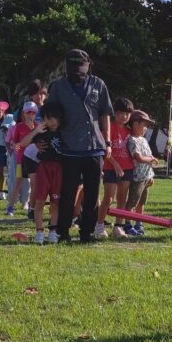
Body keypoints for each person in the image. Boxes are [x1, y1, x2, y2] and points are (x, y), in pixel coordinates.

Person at [48, 48, 113, 244]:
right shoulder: (58, 88)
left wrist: (107, 142)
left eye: (82, 68)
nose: (78, 72)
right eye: (74, 68)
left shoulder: (98, 84)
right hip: (69, 147)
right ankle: (64, 231)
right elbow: (51, 116)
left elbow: (105, 114)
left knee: (93, 193)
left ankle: (87, 232)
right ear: (67, 68)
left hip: (94, 146)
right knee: (68, 192)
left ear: (88, 66)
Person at [17, 104, 67, 245]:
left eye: (53, 118)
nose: (51, 122)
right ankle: (39, 231)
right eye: (47, 119)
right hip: (43, 168)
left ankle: (52, 231)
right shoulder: (41, 131)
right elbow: (22, 143)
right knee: (39, 202)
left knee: (55, 203)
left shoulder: (65, 132)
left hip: (59, 169)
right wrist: (35, 131)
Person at [96, 98, 135, 238]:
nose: (124, 117)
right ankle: (99, 226)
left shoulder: (130, 131)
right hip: (111, 168)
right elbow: (105, 150)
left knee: (122, 199)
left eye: (127, 114)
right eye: (120, 113)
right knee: (108, 198)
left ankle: (118, 227)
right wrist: (115, 164)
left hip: (128, 168)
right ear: (114, 113)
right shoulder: (109, 128)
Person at [123, 109, 158, 236]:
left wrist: (151, 175)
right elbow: (139, 157)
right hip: (137, 177)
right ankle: (127, 224)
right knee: (132, 201)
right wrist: (152, 159)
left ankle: (139, 222)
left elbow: (147, 154)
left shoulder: (143, 140)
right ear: (135, 124)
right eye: (145, 125)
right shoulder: (132, 140)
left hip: (146, 176)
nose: (146, 129)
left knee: (142, 202)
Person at [6, 101, 39, 217]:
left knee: (34, 184)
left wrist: (33, 129)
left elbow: (39, 141)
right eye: (28, 112)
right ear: (23, 114)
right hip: (21, 160)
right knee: (18, 183)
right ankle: (10, 206)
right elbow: (15, 140)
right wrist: (15, 145)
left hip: (34, 160)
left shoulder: (38, 126)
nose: (31, 115)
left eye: (34, 113)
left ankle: (31, 206)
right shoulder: (19, 126)